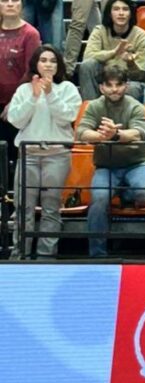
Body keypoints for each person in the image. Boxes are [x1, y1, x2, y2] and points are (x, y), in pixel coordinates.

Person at [7, 44, 81, 260]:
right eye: (44, 60)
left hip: (57, 154)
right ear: (36, 64)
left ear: (59, 66)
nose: (48, 65)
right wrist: (33, 96)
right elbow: (16, 120)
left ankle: (46, 255)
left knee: (51, 207)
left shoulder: (68, 88)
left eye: (53, 61)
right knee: (23, 207)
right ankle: (20, 253)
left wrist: (49, 94)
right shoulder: (24, 89)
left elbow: (68, 117)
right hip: (28, 154)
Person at [76, 63, 145, 258]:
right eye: (109, 85)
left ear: (126, 86)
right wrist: (101, 136)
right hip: (107, 166)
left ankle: (124, 193)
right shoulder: (94, 106)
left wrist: (115, 134)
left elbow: (139, 133)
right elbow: (81, 132)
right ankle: (97, 255)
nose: (114, 89)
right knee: (99, 199)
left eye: (118, 84)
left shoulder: (136, 106)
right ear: (101, 87)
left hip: (136, 162)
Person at [79, 0, 145, 101]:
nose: (121, 13)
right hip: (105, 76)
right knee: (87, 65)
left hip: (128, 79)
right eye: (116, 9)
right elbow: (88, 56)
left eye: (125, 9)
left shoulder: (141, 36)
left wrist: (130, 63)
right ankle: (91, 107)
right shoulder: (99, 31)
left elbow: (141, 75)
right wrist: (114, 52)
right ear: (109, 13)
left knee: (132, 88)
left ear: (131, 14)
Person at [0, 0, 41, 162]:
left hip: (20, 102)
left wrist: (14, 101)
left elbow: (31, 71)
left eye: (14, 0)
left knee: (14, 153)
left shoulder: (31, 34)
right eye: (5, 0)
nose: (10, 4)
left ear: (22, 4)